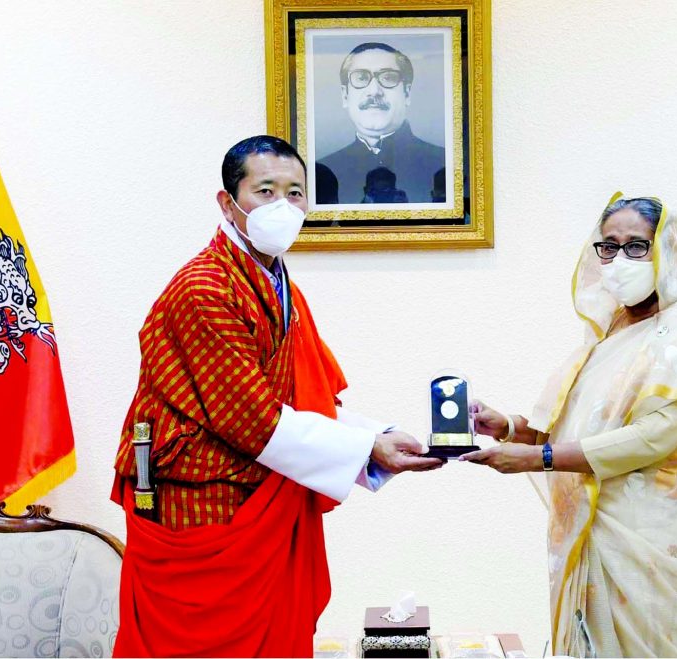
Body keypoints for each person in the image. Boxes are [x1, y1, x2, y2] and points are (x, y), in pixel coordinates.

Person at [110, 135, 442, 657]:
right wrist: (366, 450)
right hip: (205, 506)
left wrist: (375, 435)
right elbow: (258, 423)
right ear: (229, 202)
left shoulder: (275, 281)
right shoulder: (205, 289)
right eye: (265, 191)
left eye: (294, 193)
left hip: (257, 496)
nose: (283, 207)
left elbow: (302, 400)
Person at [462, 195, 677, 657]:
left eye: (637, 246)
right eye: (608, 246)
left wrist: (537, 459)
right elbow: (569, 427)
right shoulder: (606, 337)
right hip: (590, 528)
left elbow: (652, 437)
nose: (619, 260)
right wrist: (509, 427)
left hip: (654, 538)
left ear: (668, 251)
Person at [315, 42, 445, 205]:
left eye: (388, 77)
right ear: (345, 95)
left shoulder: (442, 163)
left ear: (407, 92)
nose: (374, 91)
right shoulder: (321, 174)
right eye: (361, 77)